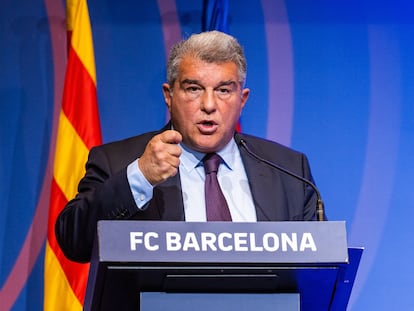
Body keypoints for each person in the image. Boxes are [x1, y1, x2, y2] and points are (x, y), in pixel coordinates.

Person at [55, 30, 319, 263]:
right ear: (169, 96)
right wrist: (140, 177)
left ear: (243, 99)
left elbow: (318, 268)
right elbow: (74, 242)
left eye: (224, 90)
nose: (208, 105)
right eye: (194, 89)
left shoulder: (289, 172)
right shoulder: (118, 161)